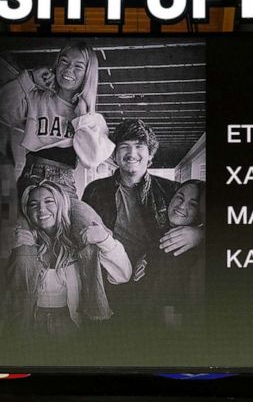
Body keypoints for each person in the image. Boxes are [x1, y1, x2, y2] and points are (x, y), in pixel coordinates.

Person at [82, 119, 204, 325]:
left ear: (150, 157)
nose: (132, 153)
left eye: (139, 147)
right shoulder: (95, 190)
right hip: (108, 280)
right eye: (124, 147)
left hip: (153, 279)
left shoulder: (171, 190)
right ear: (114, 155)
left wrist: (200, 233)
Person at [3, 181, 132, 341]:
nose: (41, 209)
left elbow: (123, 275)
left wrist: (105, 240)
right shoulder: (22, 243)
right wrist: (6, 248)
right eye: (33, 204)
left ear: (61, 204)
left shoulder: (79, 240)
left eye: (49, 201)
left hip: (70, 324)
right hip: (31, 324)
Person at [0, 41, 114, 198]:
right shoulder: (36, 98)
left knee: (90, 222)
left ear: (88, 73)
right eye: (64, 61)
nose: (68, 69)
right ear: (56, 65)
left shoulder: (92, 118)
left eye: (78, 66)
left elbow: (91, 160)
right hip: (31, 179)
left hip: (65, 186)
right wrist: (30, 78)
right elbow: (0, 109)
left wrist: (82, 119)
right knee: (13, 223)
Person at [138, 180, 206, 330]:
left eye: (193, 204)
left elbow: (171, 313)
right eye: (179, 197)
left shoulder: (186, 249)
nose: (182, 206)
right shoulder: (161, 233)